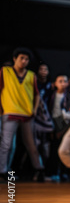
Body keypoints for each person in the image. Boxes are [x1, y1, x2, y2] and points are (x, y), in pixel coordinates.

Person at [0, 48, 45, 179]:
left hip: (27, 114)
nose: (24, 61)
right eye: (21, 58)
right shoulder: (5, 71)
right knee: (6, 145)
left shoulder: (31, 75)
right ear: (15, 59)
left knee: (32, 144)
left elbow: (37, 95)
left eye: (26, 59)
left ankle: (39, 169)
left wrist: (34, 110)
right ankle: (3, 171)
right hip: (9, 111)